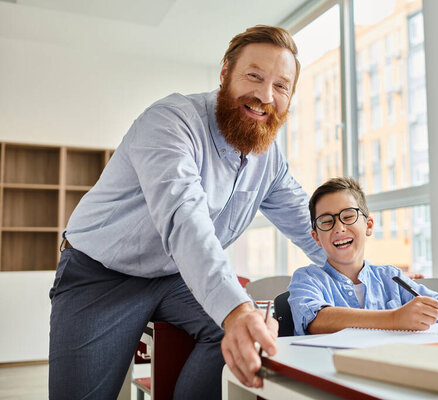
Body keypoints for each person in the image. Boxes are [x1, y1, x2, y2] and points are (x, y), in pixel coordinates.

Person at [48, 25, 326, 400]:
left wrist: (367, 273)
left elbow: (309, 225)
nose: (264, 95)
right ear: (226, 72)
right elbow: (185, 220)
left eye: (281, 86)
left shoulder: (269, 160)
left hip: (176, 276)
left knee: (247, 330)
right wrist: (237, 311)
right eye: (254, 77)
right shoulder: (170, 122)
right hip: (100, 274)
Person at [288, 177, 438, 336]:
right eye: (326, 221)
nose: (338, 227)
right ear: (316, 237)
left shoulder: (391, 277)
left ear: (368, 225)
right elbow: (316, 320)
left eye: (348, 216)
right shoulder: (307, 278)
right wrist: (395, 318)